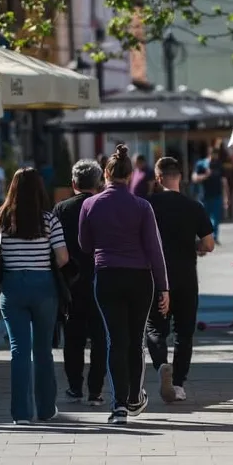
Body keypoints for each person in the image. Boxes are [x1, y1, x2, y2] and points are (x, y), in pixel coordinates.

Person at [78, 144, 169, 425]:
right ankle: (133, 398)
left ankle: (118, 406)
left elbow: (84, 244)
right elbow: (155, 249)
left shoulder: (89, 204)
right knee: (135, 339)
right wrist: (163, 286)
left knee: (114, 340)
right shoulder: (142, 206)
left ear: (105, 173)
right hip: (140, 278)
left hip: (106, 275)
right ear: (130, 176)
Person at [0, 168, 69, 424]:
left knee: (19, 351)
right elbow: (63, 258)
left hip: (12, 287)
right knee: (43, 350)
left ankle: (21, 414)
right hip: (43, 286)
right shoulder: (48, 220)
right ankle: (46, 409)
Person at [145, 157, 214, 403]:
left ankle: (162, 364)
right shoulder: (194, 207)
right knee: (184, 332)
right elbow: (208, 244)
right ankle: (178, 383)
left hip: (155, 276)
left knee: (155, 328)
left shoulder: (147, 205)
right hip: (186, 275)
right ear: (179, 177)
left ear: (158, 178)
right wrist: (192, 245)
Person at [53, 159, 107, 406]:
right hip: (102, 279)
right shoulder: (104, 206)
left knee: (73, 337)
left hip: (70, 282)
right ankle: (95, 390)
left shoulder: (62, 209)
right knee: (100, 337)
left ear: (73, 183)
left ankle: (75, 387)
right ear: (98, 183)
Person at [191, 144, 226, 244]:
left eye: (216, 154)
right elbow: (194, 178)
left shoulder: (219, 164)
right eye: (213, 154)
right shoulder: (201, 164)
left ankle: (214, 238)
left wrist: (226, 197)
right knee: (204, 218)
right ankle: (204, 237)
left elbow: (224, 181)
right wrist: (206, 175)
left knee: (216, 218)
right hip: (203, 196)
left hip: (217, 195)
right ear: (209, 154)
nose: (215, 157)